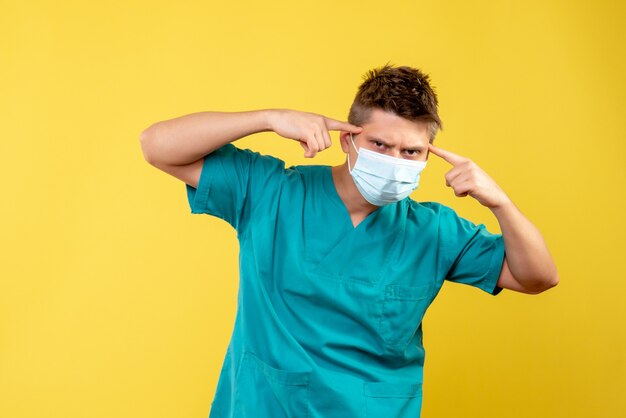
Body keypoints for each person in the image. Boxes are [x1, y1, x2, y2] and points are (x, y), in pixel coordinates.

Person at [139, 64, 559, 418]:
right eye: (379, 144)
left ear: (428, 155)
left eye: (411, 152)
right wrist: (268, 117)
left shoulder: (435, 231)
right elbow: (156, 146)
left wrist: (501, 203)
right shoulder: (272, 192)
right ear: (348, 139)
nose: (394, 161)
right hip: (264, 405)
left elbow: (538, 277)